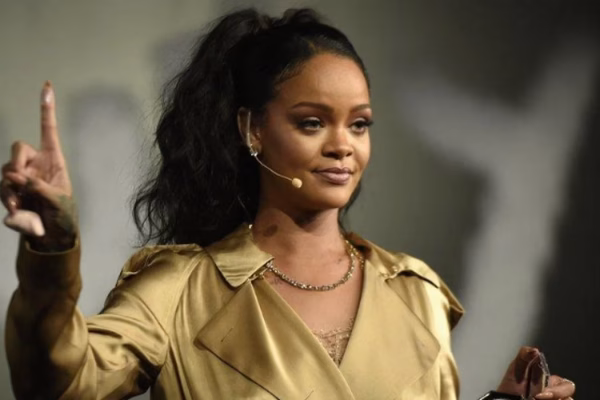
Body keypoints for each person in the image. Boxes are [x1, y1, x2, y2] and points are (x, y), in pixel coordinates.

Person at [1, 8, 576, 400]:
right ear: (252, 129)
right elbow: (57, 383)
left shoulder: (415, 292)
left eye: (359, 124)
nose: (343, 146)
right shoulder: (178, 291)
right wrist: (53, 249)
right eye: (312, 122)